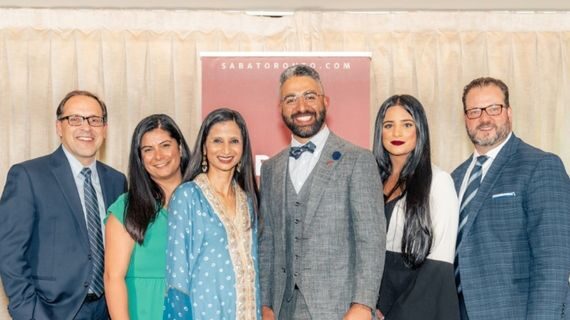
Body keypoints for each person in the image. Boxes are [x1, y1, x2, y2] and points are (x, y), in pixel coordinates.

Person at [258, 64, 385, 320]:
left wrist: (362, 304)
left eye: (310, 96)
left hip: (340, 309)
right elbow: (267, 242)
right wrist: (266, 304)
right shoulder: (271, 168)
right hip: (283, 310)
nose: (301, 106)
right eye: (290, 99)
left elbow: (370, 239)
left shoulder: (357, 160)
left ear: (325, 101)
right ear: (280, 108)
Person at [0, 90, 127, 319]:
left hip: (108, 309)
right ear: (59, 127)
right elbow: (9, 254)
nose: (86, 128)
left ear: (105, 129)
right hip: (51, 311)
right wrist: (30, 313)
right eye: (75, 119)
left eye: (95, 120)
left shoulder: (117, 181)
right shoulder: (28, 176)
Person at [452, 77, 570, 319]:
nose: (484, 119)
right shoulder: (455, 178)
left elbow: (554, 263)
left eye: (494, 108)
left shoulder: (541, 166)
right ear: (465, 118)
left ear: (509, 112)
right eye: (474, 111)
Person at [163, 108, 261, 319]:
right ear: (204, 148)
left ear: (243, 148)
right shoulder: (187, 196)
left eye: (234, 141)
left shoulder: (249, 201)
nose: (226, 149)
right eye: (217, 141)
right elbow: (177, 275)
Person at [372, 94, 459, 320]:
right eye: (388, 125)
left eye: (407, 124)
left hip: (421, 305)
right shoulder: (369, 182)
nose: (397, 133)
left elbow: (439, 266)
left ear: (420, 130)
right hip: (374, 305)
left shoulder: (439, 182)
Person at [103, 114, 191, 319]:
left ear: (180, 148)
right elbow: (112, 278)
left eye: (165, 145)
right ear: (140, 159)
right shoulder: (125, 208)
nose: (158, 156)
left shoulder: (202, 202)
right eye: (148, 150)